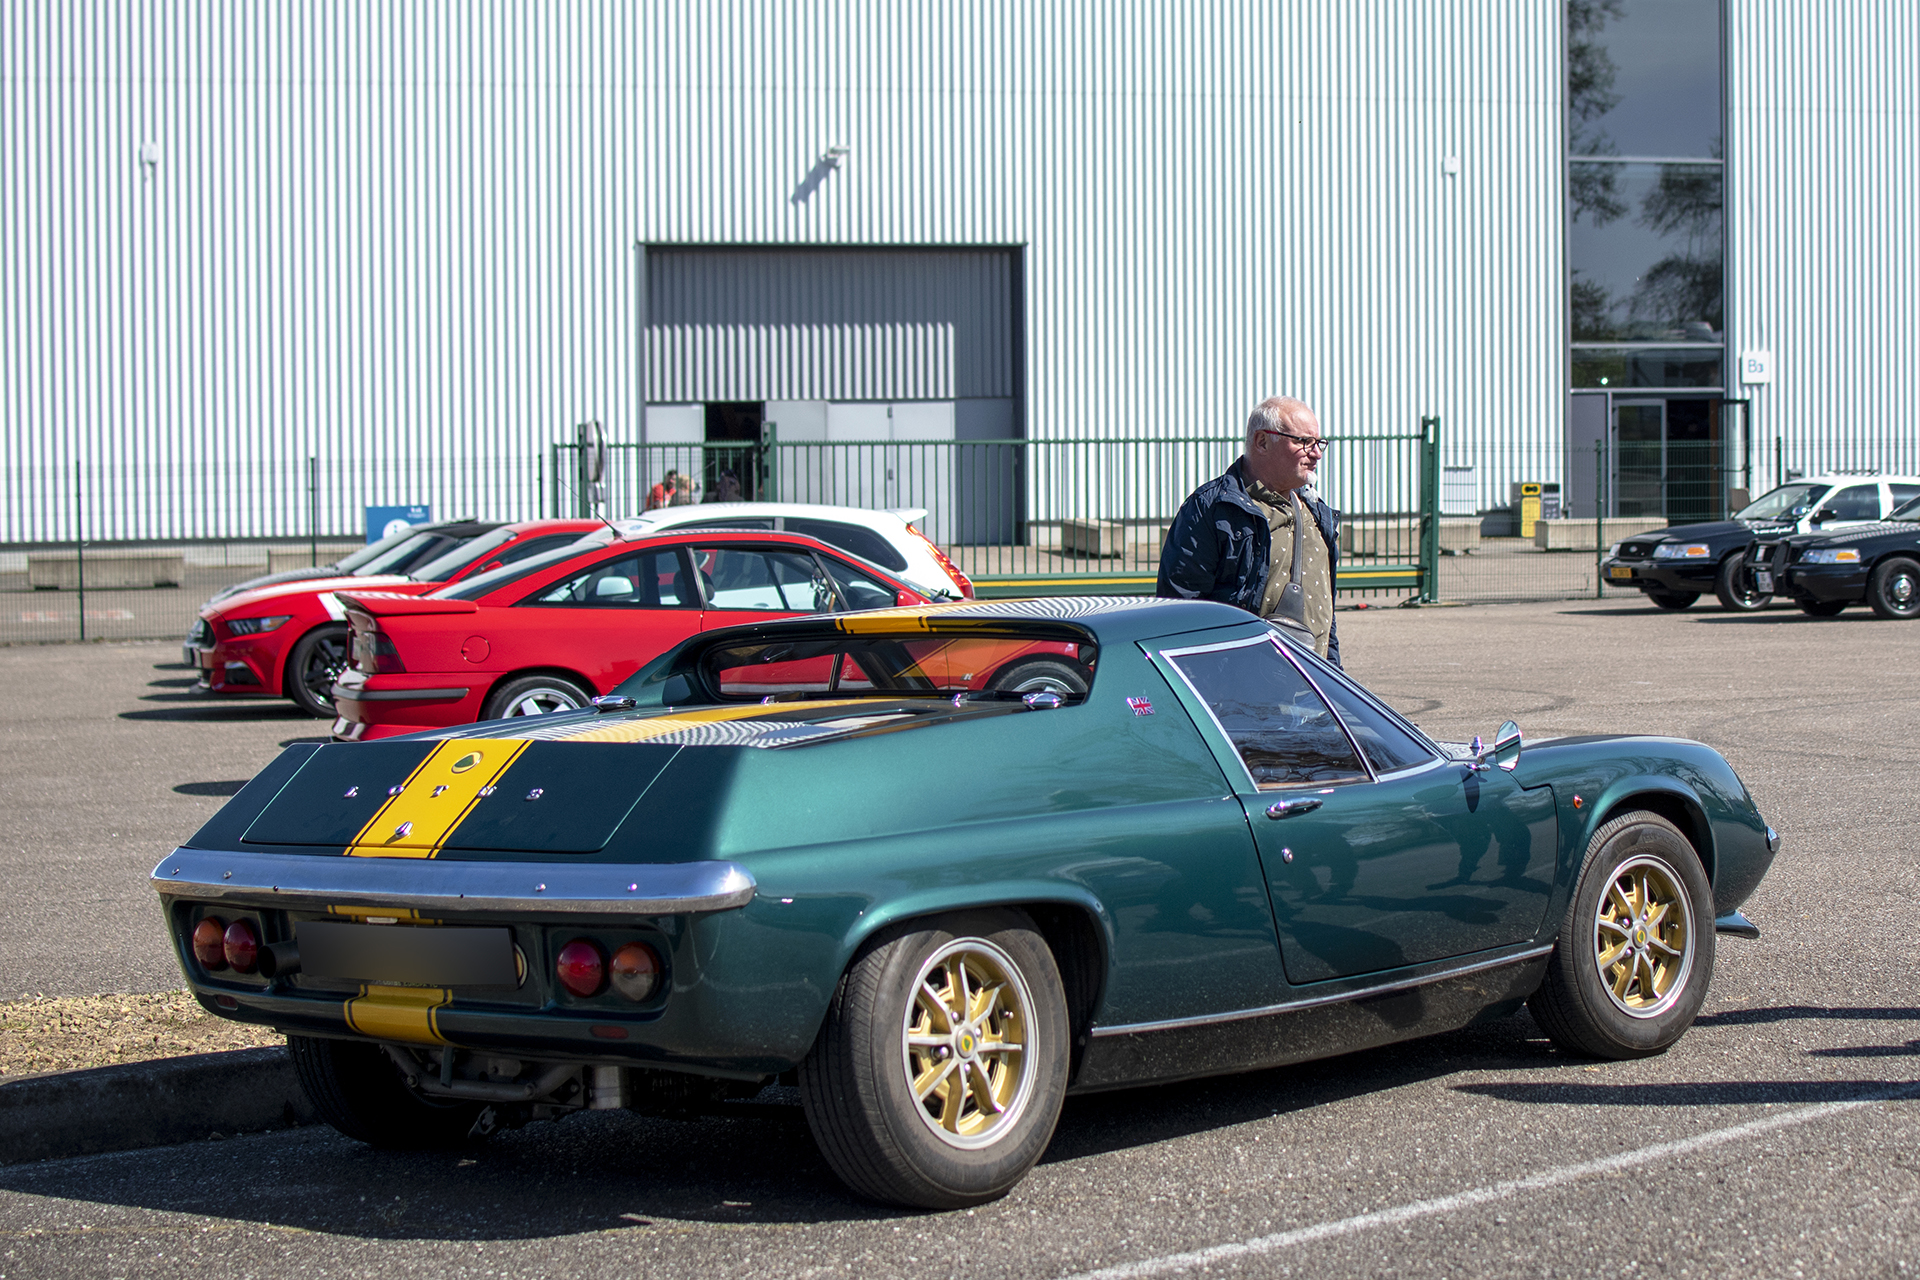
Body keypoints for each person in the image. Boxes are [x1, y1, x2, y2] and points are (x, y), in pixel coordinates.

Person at [1157, 396, 1342, 666]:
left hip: (1314, 686)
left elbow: (1325, 612)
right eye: (1303, 442)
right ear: (1262, 441)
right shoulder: (1213, 508)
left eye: (1318, 443)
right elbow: (1180, 610)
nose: (1316, 453)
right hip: (1239, 687)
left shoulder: (1316, 512)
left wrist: (1335, 676)